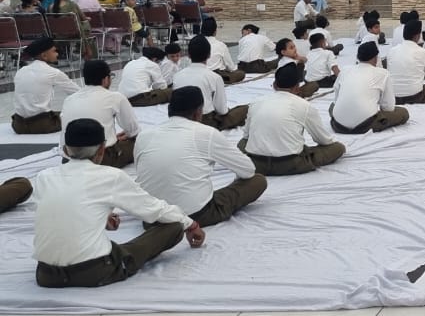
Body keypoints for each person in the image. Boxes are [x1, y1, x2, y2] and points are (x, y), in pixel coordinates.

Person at [30, 119, 204, 288]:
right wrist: (191, 224)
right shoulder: (111, 176)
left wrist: (102, 215)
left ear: (65, 150)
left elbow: (62, 208)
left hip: (46, 275)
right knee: (174, 226)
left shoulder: (43, 177)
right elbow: (153, 209)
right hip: (93, 271)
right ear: (102, 149)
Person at [135, 87, 266, 228]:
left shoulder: (144, 135)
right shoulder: (207, 133)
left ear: (169, 110)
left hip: (152, 218)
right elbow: (248, 170)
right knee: (258, 181)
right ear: (198, 112)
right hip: (195, 214)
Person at [241, 66, 346, 175]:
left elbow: (246, 137)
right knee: (338, 148)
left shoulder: (256, 102)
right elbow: (324, 140)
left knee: (241, 144)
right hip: (291, 164)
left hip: (256, 164)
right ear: (297, 88)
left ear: (274, 85)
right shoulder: (304, 105)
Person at [60, 60, 140, 169]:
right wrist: (124, 136)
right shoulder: (115, 97)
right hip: (101, 158)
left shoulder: (69, 99)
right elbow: (133, 130)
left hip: (69, 158)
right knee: (138, 142)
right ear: (105, 79)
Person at [330, 41, 410, 134]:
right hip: (365, 125)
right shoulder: (383, 73)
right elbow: (388, 107)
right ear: (375, 58)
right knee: (403, 113)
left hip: (338, 125)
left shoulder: (345, 70)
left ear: (358, 57)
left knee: (332, 107)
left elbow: (336, 98)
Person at [172, 36, 249, 130]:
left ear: (188, 55)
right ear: (209, 55)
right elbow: (222, 110)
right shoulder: (215, 77)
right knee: (245, 110)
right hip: (205, 121)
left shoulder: (177, 76)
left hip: (181, 120)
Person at [11, 38, 80, 134]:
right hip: (42, 125)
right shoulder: (53, 72)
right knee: (75, 116)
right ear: (44, 56)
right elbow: (77, 92)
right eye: (54, 51)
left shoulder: (20, 71)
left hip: (18, 125)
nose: (57, 54)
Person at [199, 18, 244, 84]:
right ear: (215, 31)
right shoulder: (220, 45)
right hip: (216, 75)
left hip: (199, 74)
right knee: (241, 73)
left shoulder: (196, 43)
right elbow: (230, 67)